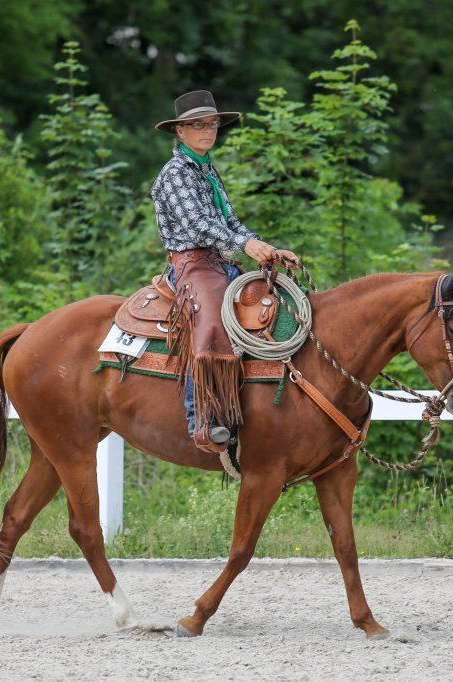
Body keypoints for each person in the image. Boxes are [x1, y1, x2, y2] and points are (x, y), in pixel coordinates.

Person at [151, 89, 296, 453]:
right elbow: (198, 225)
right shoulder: (175, 173)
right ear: (180, 131)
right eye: (198, 125)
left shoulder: (207, 170)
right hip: (192, 264)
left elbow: (230, 222)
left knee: (271, 304)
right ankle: (202, 418)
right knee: (211, 321)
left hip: (218, 261)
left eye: (213, 124)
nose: (208, 131)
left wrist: (265, 247)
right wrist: (244, 245)